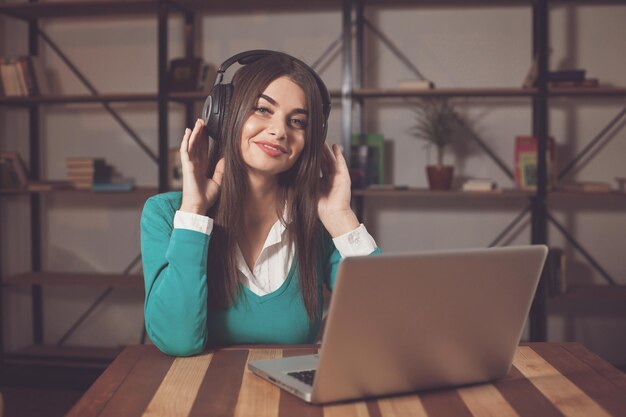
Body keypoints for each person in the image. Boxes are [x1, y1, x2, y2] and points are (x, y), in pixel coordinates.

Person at [140, 51, 380, 356]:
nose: (280, 131)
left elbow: (388, 324)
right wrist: (194, 213)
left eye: (297, 121)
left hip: (292, 399)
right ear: (224, 114)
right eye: (263, 109)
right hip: (195, 395)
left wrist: (342, 218)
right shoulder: (166, 214)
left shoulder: (319, 223)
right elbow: (178, 340)